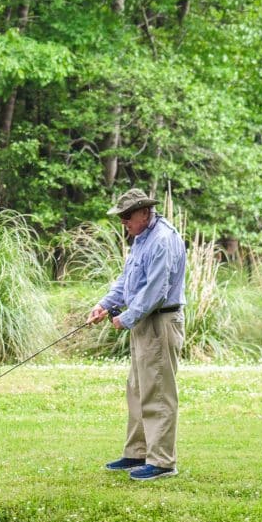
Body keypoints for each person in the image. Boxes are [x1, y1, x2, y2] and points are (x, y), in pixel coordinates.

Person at [87, 188, 186, 480]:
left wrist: (126, 318)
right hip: (145, 321)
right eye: (121, 217)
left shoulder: (163, 240)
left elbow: (156, 290)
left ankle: (163, 462)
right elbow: (128, 281)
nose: (123, 223)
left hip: (159, 321)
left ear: (144, 212)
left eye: (127, 216)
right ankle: (137, 453)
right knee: (138, 389)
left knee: (158, 391)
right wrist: (105, 304)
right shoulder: (142, 239)